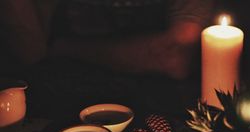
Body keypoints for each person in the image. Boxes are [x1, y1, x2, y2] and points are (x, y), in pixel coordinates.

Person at [0, 0, 214, 80]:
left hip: (161, 105)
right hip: (59, 96)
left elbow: (174, 57)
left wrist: (62, 47)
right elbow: (31, 50)